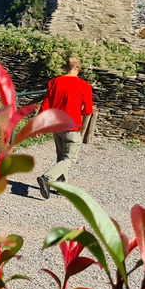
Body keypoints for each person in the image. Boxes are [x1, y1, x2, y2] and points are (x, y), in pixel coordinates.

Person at [36, 56, 94, 199]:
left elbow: (46, 105)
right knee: (69, 158)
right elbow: (88, 111)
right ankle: (47, 178)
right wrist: (78, 111)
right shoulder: (84, 86)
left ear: (64, 68)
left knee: (61, 156)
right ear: (79, 69)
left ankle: (62, 187)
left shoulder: (54, 82)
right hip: (72, 126)